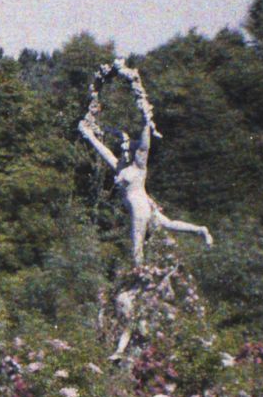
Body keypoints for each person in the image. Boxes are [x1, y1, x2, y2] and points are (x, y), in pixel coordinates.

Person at [78, 58, 212, 266]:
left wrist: (144, 117)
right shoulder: (119, 166)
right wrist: (88, 135)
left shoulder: (137, 165)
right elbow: (103, 150)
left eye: (125, 149)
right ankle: (200, 229)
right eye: (121, 149)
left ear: (131, 151)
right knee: (168, 225)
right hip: (141, 204)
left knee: (137, 243)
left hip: (139, 206)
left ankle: (139, 276)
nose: (122, 151)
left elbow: (144, 143)